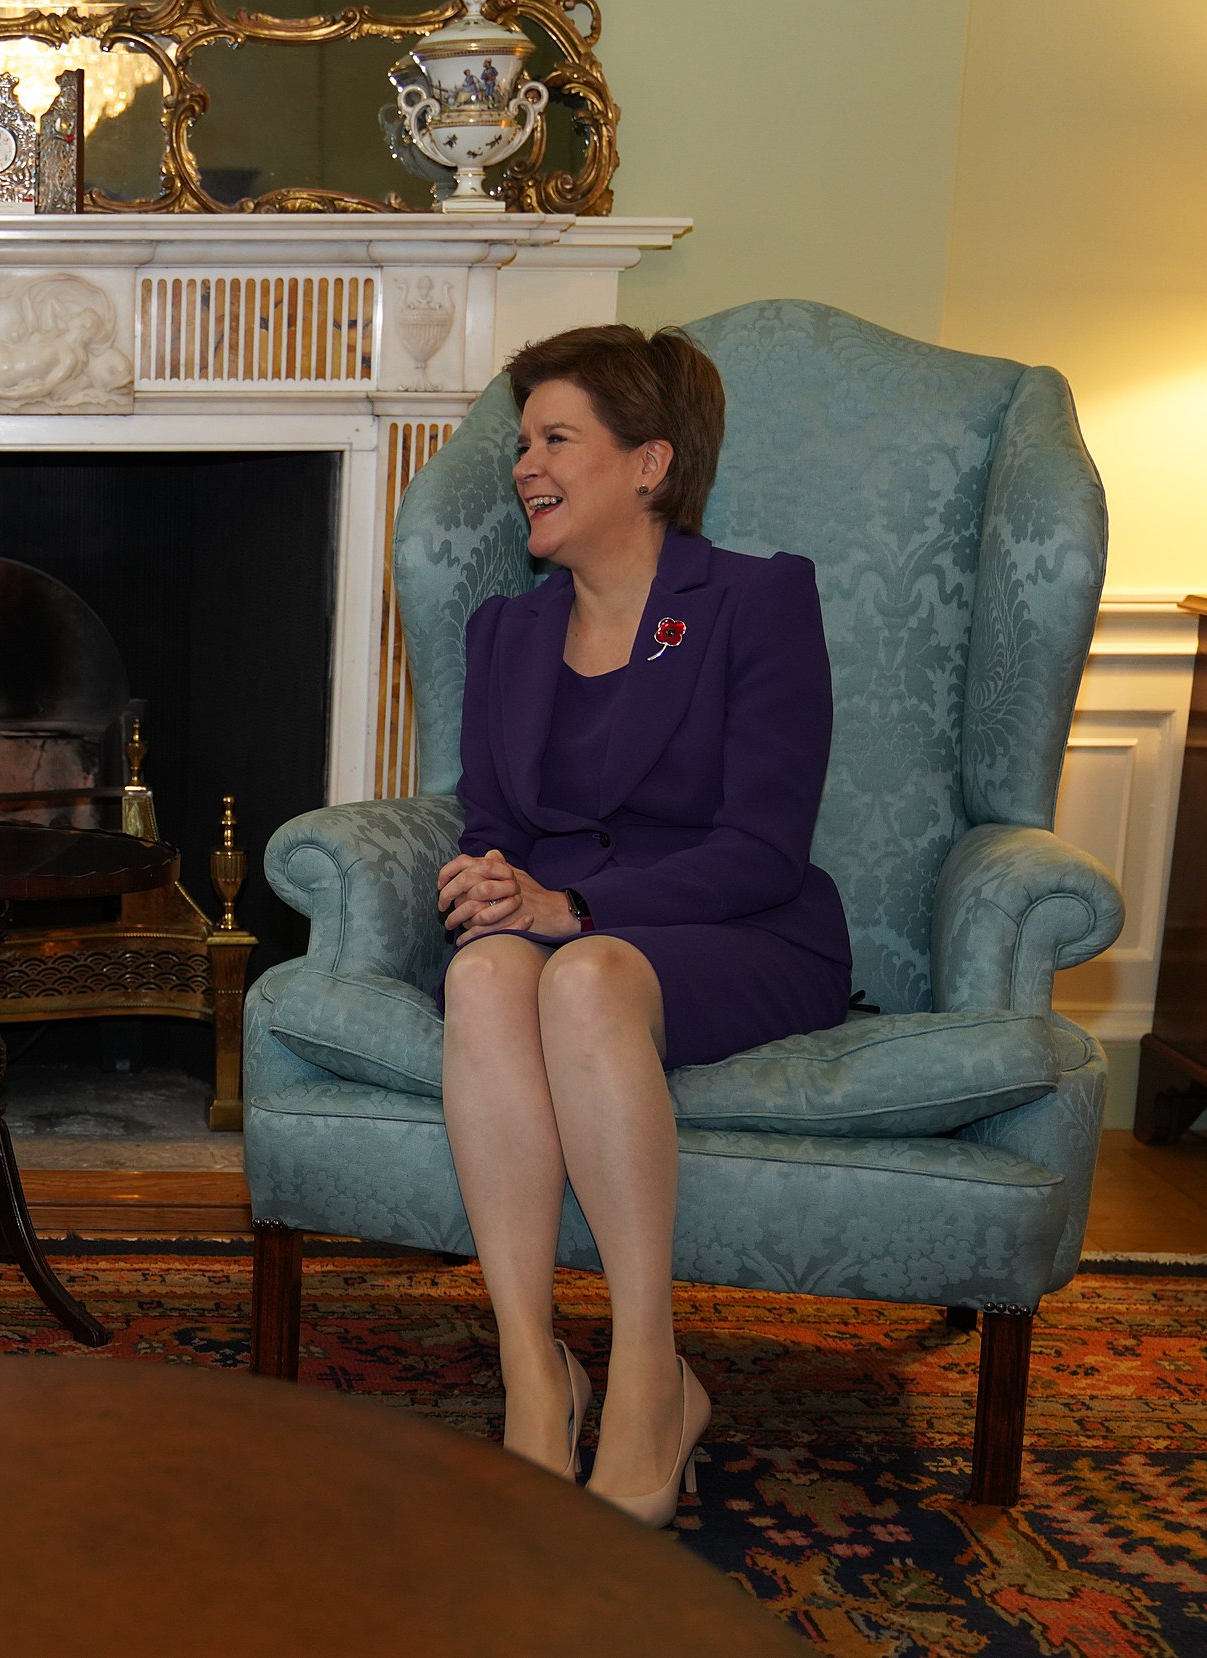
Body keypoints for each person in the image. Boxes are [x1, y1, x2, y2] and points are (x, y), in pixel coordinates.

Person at [434, 323, 850, 1526]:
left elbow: (764, 844)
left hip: (740, 928)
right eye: (522, 443)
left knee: (584, 973)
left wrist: (573, 908)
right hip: (570, 928)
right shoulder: (506, 633)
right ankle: (533, 1373)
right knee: (482, 977)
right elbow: (490, 822)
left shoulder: (756, 601)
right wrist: (486, 881)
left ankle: (650, 1377)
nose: (523, 465)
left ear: (649, 462)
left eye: (554, 438)